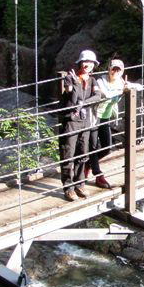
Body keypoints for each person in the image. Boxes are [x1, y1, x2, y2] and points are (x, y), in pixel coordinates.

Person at [88, 58, 142, 188]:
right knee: (93, 147)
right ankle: (98, 175)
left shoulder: (121, 82)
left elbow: (140, 87)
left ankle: (88, 164)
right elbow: (106, 94)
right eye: (113, 69)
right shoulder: (100, 81)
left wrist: (129, 86)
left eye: (118, 70)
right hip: (93, 117)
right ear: (109, 69)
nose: (115, 72)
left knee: (107, 148)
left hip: (105, 117)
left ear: (122, 71)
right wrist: (122, 90)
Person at [59, 49, 102, 201]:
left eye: (91, 62)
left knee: (83, 154)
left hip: (85, 121)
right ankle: (68, 188)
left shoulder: (92, 80)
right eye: (85, 62)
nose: (88, 65)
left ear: (94, 65)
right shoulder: (70, 79)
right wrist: (76, 85)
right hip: (71, 121)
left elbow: (97, 96)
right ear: (80, 63)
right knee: (68, 154)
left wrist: (83, 103)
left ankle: (79, 184)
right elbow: (72, 99)